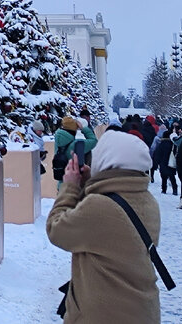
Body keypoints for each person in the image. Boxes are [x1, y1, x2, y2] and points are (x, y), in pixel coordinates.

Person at [46, 130, 162, 323]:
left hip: (103, 315)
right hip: (142, 310)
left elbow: (56, 230)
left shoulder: (100, 206)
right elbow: (103, 232)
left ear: (106, 161)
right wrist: (90, 183)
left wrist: (70, 187)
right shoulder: (148, 201)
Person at [52, 115, 98, 191]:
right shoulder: (77, 144)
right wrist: (83, 128)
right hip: (74, 186)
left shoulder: (58, 142)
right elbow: (93, 141)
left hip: (61, 185)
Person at [152, 125, 178, 195]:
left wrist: (156, 164)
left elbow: (157, 155)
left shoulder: (161, 145)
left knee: (164, 178)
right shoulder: (173, 144)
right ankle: (175, 189)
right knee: (172, 177)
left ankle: (164, 189)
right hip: (171, 163)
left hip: (163, 164)